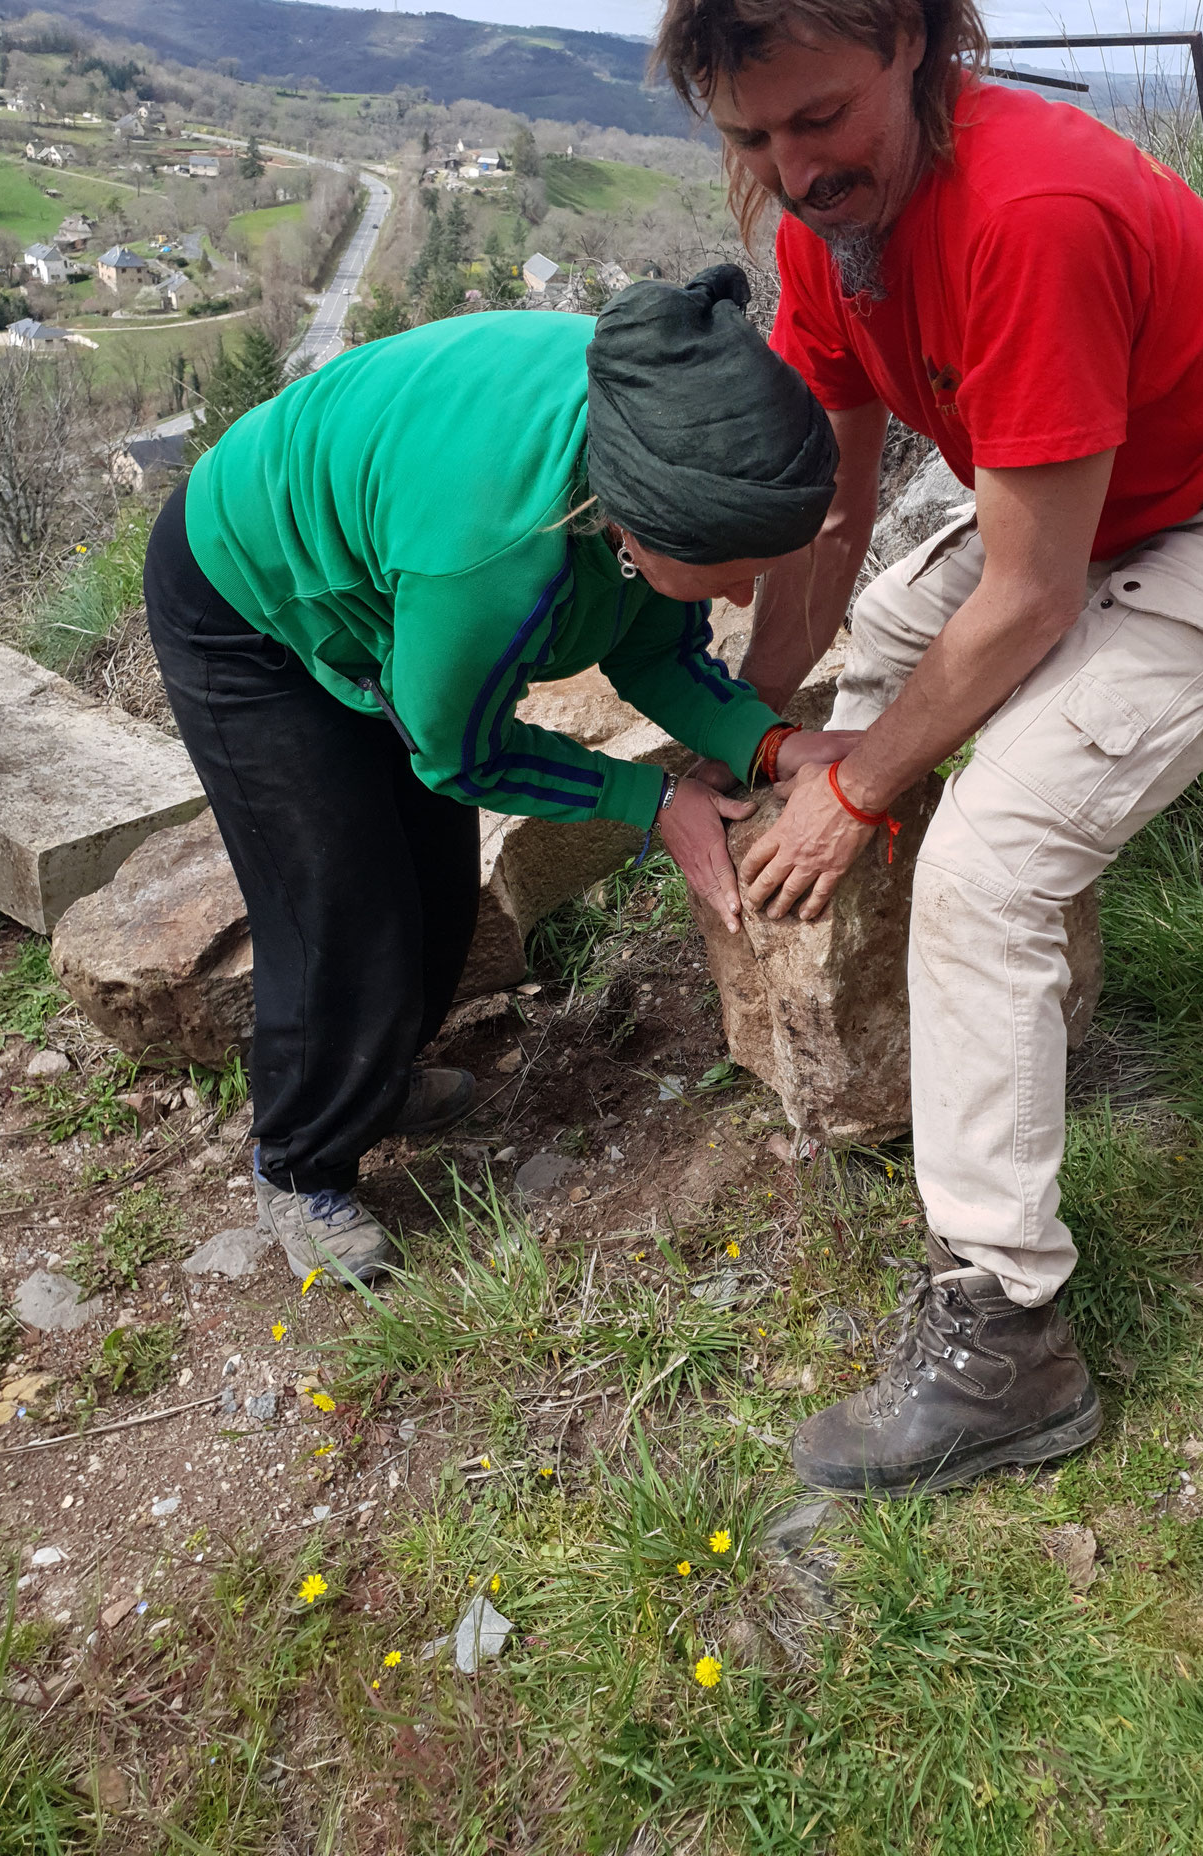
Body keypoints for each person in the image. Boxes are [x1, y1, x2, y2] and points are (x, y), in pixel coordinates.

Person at [654, 0, 1203, 1495]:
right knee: (891, 681)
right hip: (1106, 497)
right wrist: (747, 727)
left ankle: (1009, 1335)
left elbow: (1036, 590)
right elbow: (832, 508)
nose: (798, 168)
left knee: (981, 854)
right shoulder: (829, 223)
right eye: (758, 138)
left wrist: (855, 783)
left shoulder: (1024, 211)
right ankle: (977, 1034)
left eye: (824, 118)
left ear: (912, 38)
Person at [144, 264, 852, 1284]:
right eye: (730, 571)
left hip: (392, 593)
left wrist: (772, 745)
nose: (745, 592)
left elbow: (654, 648)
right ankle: (298, 1160)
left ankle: (370, 1077)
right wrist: (651, 798)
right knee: (340, 895)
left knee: (436, 890)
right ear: (635, 528)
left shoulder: (661, 442)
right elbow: (457, 750)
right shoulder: (493, 557)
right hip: (245, 596)